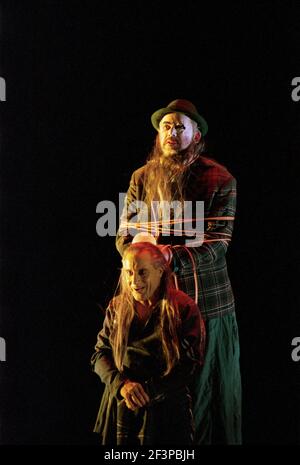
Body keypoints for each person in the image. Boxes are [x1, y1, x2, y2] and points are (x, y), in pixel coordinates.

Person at [116, 99, 242, 445]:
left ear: (196, 134)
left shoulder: (219, 178)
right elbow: (124, 233)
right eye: (166, 126)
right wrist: (135, 249)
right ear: (158, 135)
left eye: (180, 126)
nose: (172, 132)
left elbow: (217, 243)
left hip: (207, 307)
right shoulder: (141, 179)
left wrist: (164, 255)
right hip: (154, 309)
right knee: (159, 402)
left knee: (205, 399)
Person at [91, 242, 205, 445]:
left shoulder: (183, 308)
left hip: (164, 409)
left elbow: (190, 365)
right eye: (129, 273)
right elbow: (100, 354)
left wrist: (148, 392)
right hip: (121, 404)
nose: (134, 281)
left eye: (142, 272)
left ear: (160, 271)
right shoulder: (117, 307)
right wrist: (122, 386)